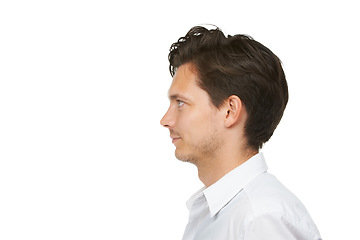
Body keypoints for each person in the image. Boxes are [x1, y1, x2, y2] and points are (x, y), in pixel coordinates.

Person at [160, 26, 321, 240]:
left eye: (181, 103)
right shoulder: (214, 211)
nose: (165, 120)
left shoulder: (261, 218)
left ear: (230, 111)